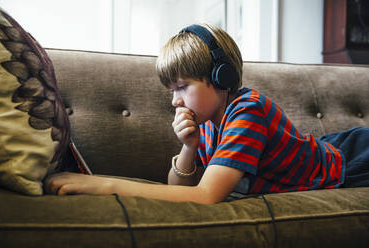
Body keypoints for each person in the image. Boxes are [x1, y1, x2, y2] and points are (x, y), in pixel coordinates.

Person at [44, 23, 369, 204]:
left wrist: (101, 185)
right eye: (171, 90)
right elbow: (181, 187)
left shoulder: (247, 111)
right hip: (330, 148)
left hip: (351, 158)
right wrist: (188, 147)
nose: (175, 101)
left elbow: (206, 196)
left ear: (222, 78)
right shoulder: (211, 123)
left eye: (182, 87)